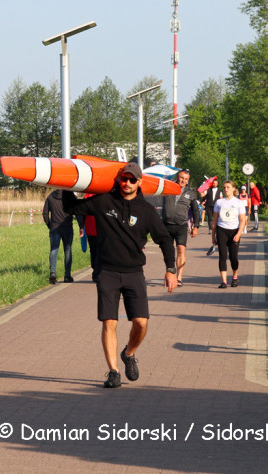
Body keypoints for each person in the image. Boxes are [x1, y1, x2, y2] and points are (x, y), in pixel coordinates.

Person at [62, 162, 176, 389]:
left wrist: (170, 269)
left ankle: (129, 353)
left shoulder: (146, 211)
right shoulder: (104, 201)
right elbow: (72, 208)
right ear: (119, 180)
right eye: (124, 179)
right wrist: (66, 184)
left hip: (134, 273)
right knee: (109, 322)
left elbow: (164, 240)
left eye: (132, 180)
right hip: (107, 272)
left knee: (141, 323)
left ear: (140, 182)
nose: (127, 183)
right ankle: (113, 372)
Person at [161, 169, 200, 286]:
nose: (183, 180)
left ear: (188, 180)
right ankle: (169, 272)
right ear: (178, 177)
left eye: (186, 179)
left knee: (181, 250)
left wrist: (196, 226)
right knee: (168, 252)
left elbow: (195, 210)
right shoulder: (169, 187)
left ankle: (179, 277)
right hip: (166, 225)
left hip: (181, 226)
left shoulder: (190, 193)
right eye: (182, 177)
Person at [210, 180, 246, 288]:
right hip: (222, 230)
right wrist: (213, 236)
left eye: (228, 187)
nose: (226, 189)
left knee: (233, 257)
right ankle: (224, 281)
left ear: (234, 189)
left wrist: (239, 234)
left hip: (234, 230)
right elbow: (215, 220)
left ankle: (235, 276)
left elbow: (243, 220)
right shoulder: (219, 202)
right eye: (224, 187)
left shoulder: (238, 203)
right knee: (222, 255)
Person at [43, 189, 75, 284]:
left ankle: (53, 273)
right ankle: (67, 275)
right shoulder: (70, 195)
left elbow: (45, 213)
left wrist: (49, 225)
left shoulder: (50, 196)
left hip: (54, 227)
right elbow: (77, 208)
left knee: (54, 250)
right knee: (67, 251)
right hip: (67, 227)